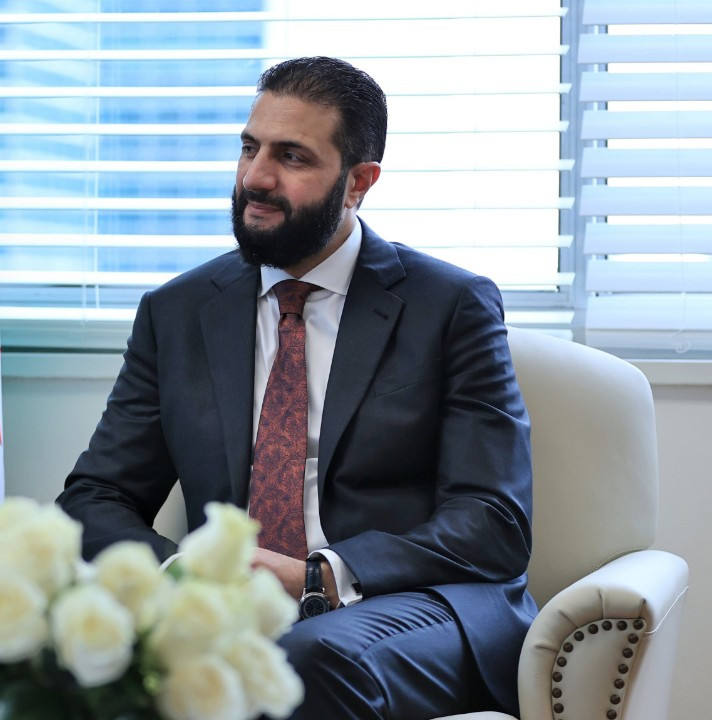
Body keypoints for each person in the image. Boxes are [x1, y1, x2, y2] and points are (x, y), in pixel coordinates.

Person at [57, 56, 535, 719]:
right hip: (235, 611)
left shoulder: (450, 306)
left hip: (408, 605)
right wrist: (181, 576)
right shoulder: (178, 311)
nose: (255, 177)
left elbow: (493, 521)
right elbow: (95, 497)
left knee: (306, 657)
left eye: (292, 157)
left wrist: (320, 577)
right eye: (249, 148)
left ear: (358, 182)